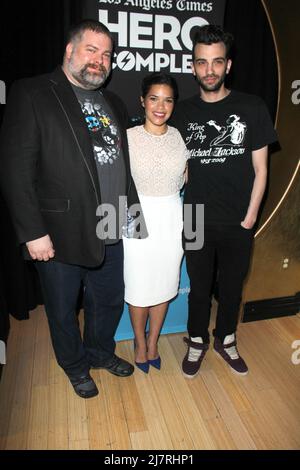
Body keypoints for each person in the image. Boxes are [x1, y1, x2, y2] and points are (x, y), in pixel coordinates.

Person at [0, 19, 146, 398]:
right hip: (58, 229)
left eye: (107, 54)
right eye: (91, 50)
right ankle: (75, 365)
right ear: (69, 51)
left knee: (109, 299)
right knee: (63, 309)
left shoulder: (113, 101)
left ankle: (99, 353)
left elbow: (120, 166)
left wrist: (131, 219)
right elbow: (15, 168)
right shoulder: (32, 91)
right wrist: (32, 231)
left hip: (111, 222)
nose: (100, 61)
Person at [171, 25, 277, 378]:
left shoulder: (251, 106)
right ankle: (198, 339)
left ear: (228, 65)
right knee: (198, 288)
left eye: (217, 62)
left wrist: (249, 219)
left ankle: (226, 339)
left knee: (232, 288)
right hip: (197, 218)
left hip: (238, 221)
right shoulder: (181, 113)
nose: (210, 70)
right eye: (202, 63)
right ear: (193, 67)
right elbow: (179, 168)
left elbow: (261, 170)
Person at [123, 73, 189, 373]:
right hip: (135, 214)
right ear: (142, 101)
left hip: (172, 216)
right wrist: (108, 227)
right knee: (138, 286)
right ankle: (139, 342)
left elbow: (187, 179)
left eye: (168, 100)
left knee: (164, 284)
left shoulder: (180, 136)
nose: (160, 106)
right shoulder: (128, 137)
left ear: (174, 104)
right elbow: (116, 184)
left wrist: (193, 225)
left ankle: (153, 342)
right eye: (154, 98)